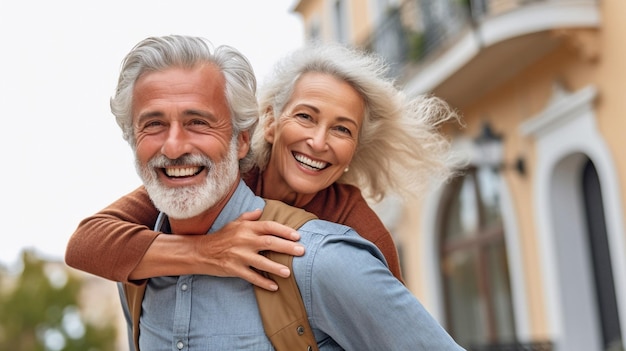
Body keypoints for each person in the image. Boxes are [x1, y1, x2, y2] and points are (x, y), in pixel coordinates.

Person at [83, 34, 464, 350]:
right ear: (269, 123)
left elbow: (391, 329)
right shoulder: (206, 179)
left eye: (342, 129)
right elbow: (86, 242)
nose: (317, 141)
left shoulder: (348, 239)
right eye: (305, 117)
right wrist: (207, 253)